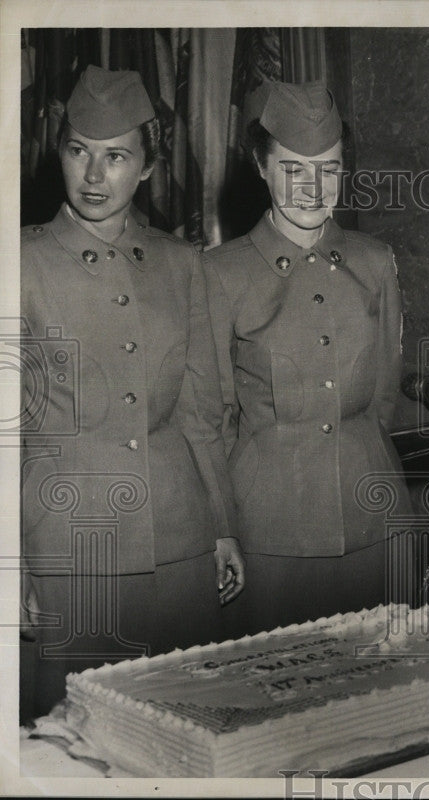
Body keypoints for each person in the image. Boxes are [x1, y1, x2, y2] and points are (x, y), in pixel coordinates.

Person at [20, 66, 244, 721]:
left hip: (179, 547)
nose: (93, 176)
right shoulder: (19, 264)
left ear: (147, 167)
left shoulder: (182, 264)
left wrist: (223, 528)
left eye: (115, 156)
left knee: (189, 731)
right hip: (68, 549)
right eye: (78, 151)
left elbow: (204, 412)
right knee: (76, 744)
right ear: (56, 152)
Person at [204, 80, 411, 635]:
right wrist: (224, 530)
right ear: (261, 166)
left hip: (375, 522)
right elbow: (215, 416)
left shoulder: (376, 263)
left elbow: (385, 397)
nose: (314, 188)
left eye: (330, 168)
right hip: (270, 532)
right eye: (294, 169)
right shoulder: (221, 274)